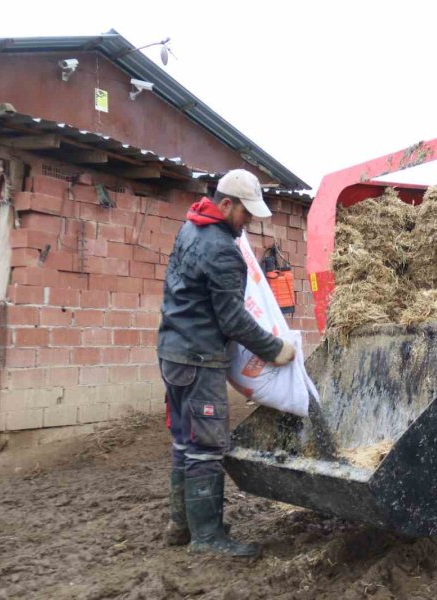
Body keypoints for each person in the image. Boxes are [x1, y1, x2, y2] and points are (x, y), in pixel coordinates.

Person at [157, 168, 296, 558]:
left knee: (184, 440)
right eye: (245, 213)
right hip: (200, 358)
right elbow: (232, 320)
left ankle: (181, 525)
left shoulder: (190, 228)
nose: (248, 221)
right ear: (226, 204)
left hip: (173, 351)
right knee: (207, 445)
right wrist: (273, 349)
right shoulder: (221, 250)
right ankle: (208, 538)